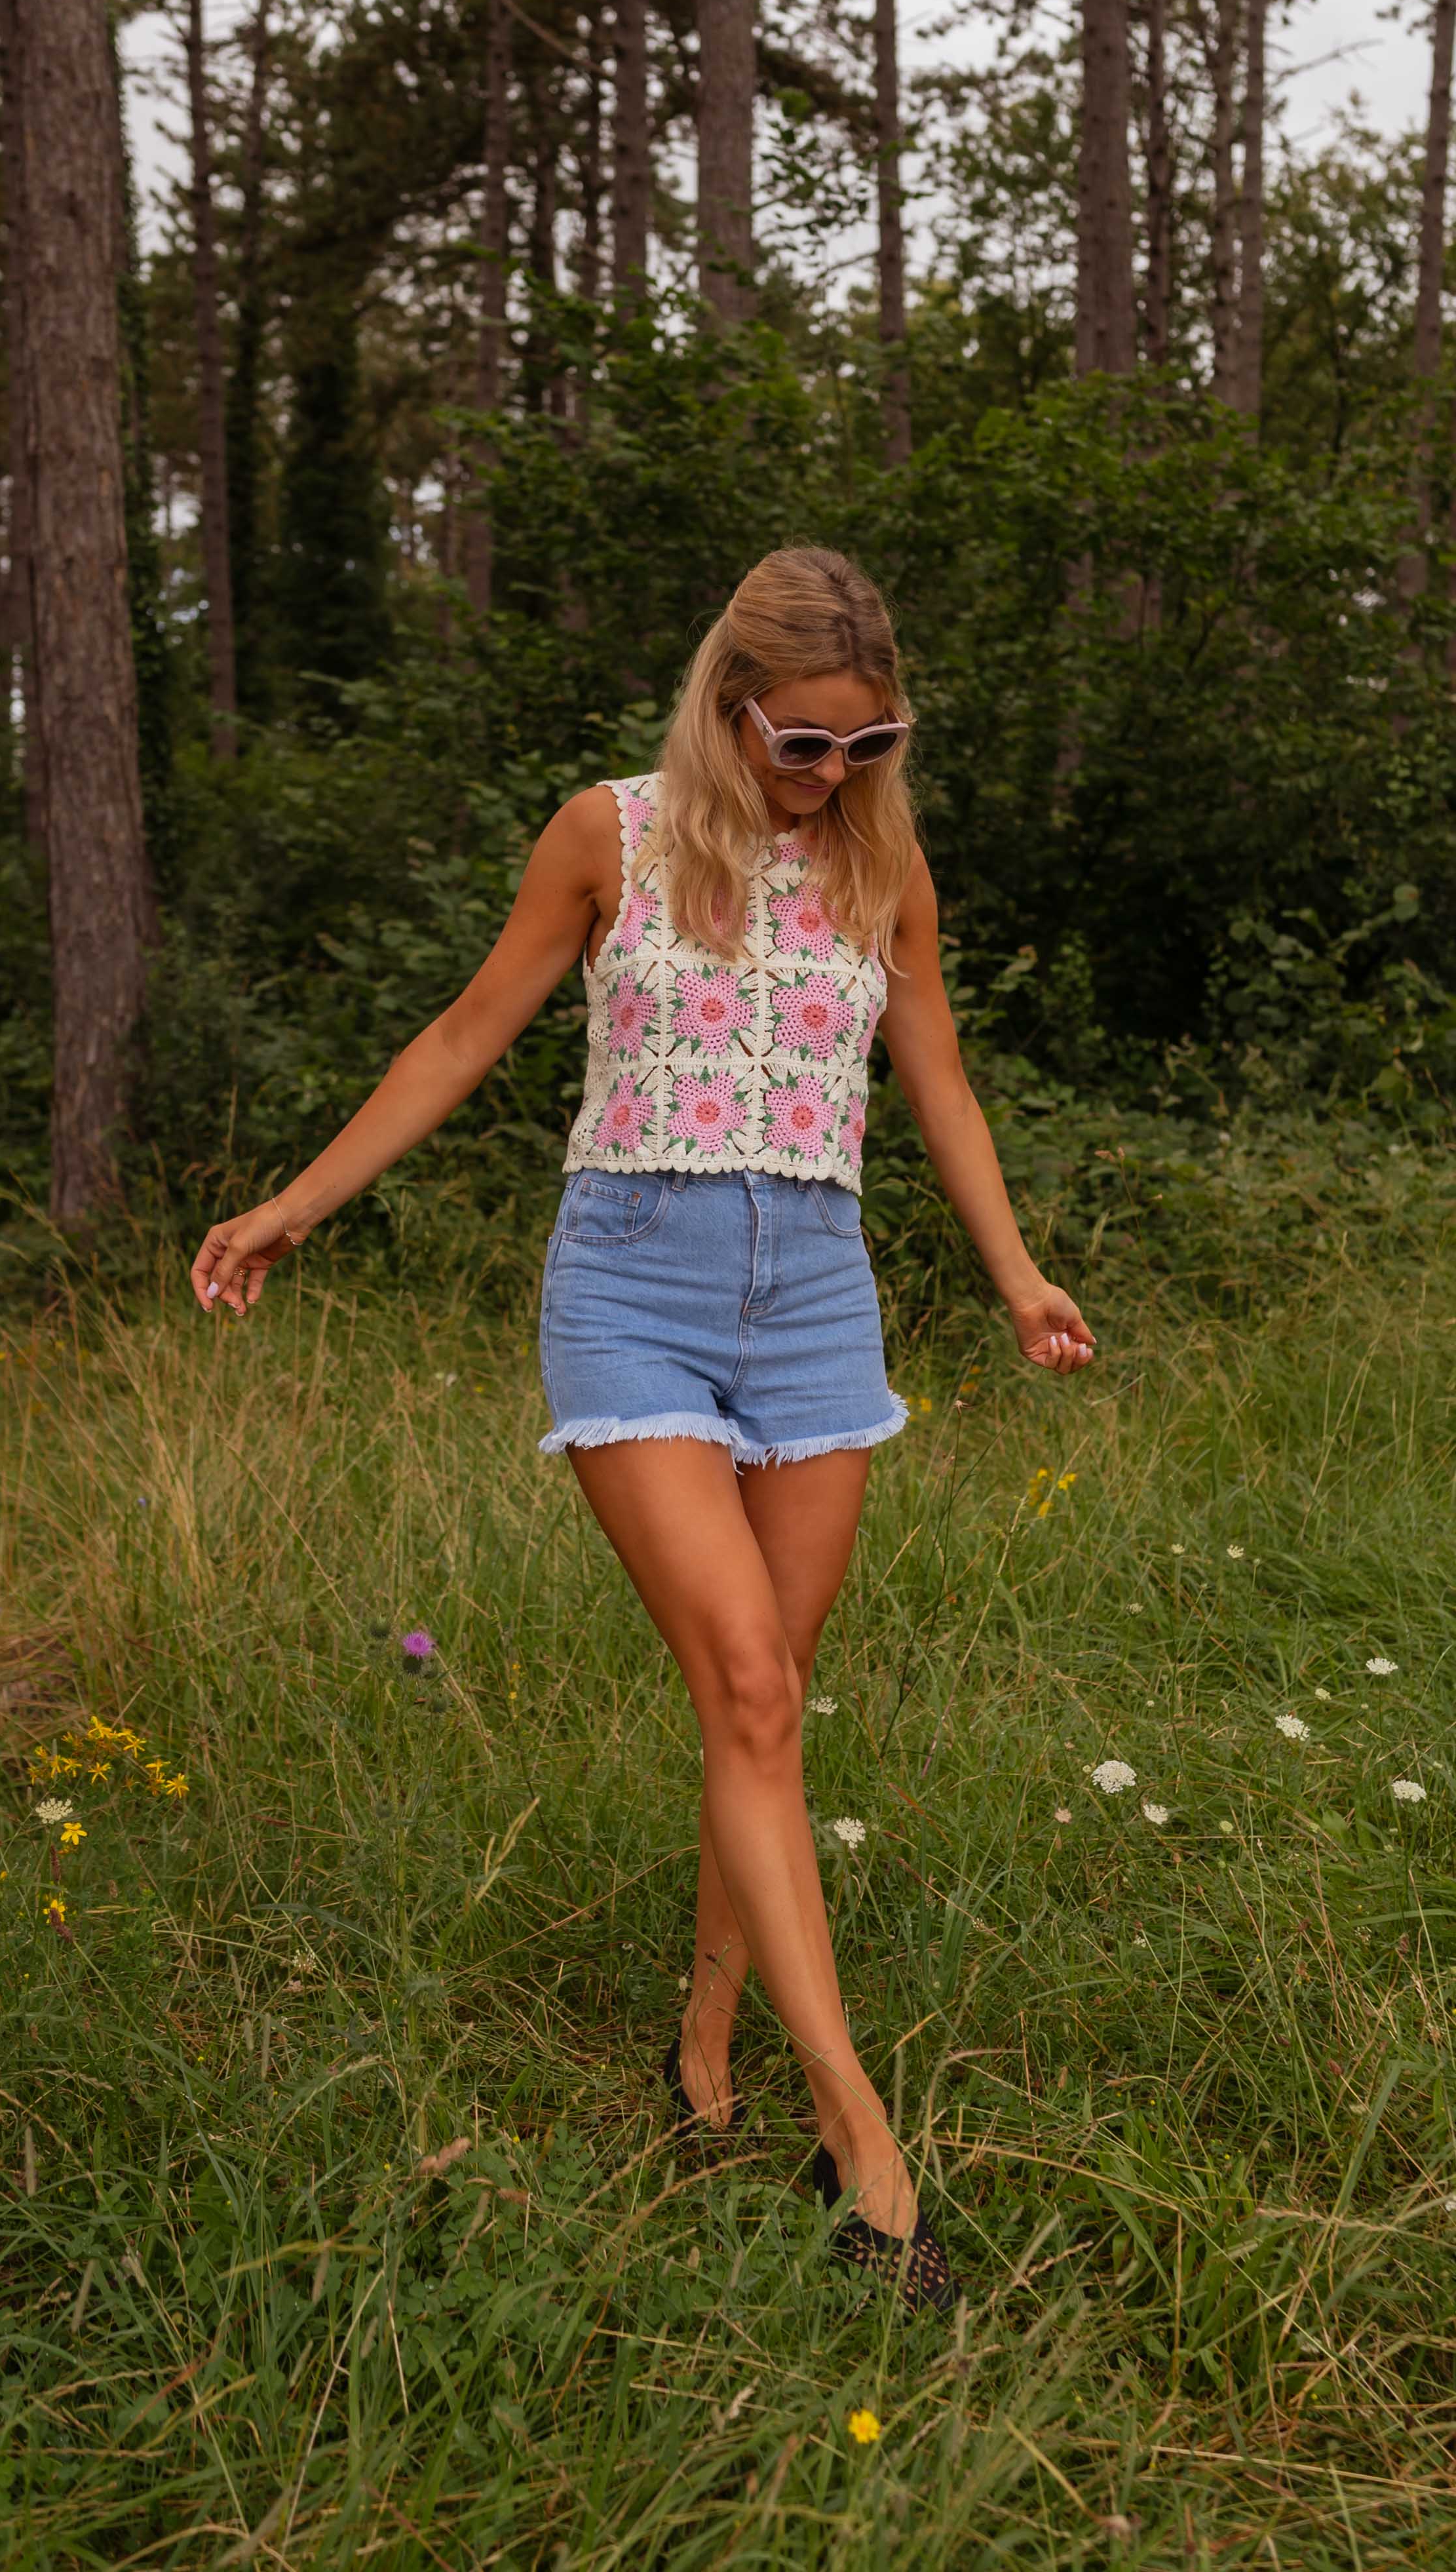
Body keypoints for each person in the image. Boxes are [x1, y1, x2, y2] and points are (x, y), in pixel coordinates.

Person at [189, 544, 1094, 2316]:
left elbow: (942, 1083)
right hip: (634, 1289)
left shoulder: (886, 863)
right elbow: (465, 1034)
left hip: (820, 1299)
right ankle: (869, 2149)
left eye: (867, 742)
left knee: (766, 1701)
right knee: (748, 1687)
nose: (828, 776)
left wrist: (1017, 1272)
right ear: (726, 703)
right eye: (801, 744)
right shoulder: (606, 833)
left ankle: (704, 2038)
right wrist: (298, 1203)